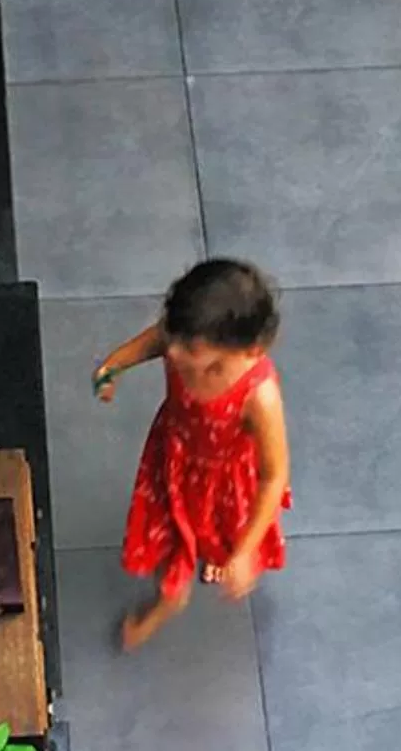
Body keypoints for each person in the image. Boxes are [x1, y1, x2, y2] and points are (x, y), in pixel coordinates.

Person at [95, 257, 291, 652]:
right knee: (172, 540)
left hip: (224, 483)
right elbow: (156, 340)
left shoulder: (258, 396)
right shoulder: (185, 337)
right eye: (175, 336)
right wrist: (113, 365)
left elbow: (274, 475)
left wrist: (245, 552)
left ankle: (194, 578)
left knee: (222, 538)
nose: (174, 352)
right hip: (174, 460)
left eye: (190, 348)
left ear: (247, 351)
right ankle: (171, 593)